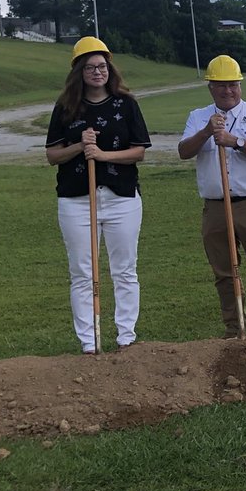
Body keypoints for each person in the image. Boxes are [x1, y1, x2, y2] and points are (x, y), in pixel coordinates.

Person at [44, 37, 150, 353]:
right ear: (79, 71)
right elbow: (52, 155)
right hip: (76, 199)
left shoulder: (126, 104)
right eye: (90, 67)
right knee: (82, 271)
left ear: (109, 69)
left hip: (121, 197)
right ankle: (89, 343)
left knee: (125, 269)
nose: (97, 72)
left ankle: (126, 338)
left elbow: (138, 151)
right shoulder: (65, 108)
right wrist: (80, 146)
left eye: (102, 66)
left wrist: (102, 156)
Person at [178, 55, 246, 337]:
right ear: (210, 88)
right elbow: (183, 152)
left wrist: (234, 141)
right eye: (220, 86)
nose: (228, 91)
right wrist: (207, 132)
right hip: (215, 206)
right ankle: (235, 329)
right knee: (225, 273)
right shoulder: (198, 116)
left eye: (233, 85)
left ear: (240, 85)